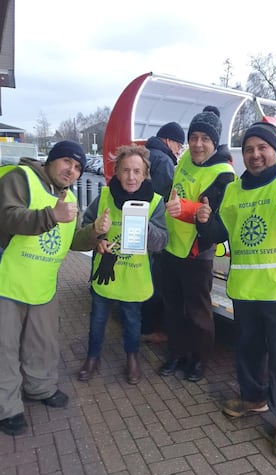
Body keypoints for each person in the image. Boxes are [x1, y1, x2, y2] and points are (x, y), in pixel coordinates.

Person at [196, 121, 276, 458]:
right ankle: (254, 397)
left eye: (262, 148)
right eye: (249, 149)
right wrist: (204, 222)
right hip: (245, 287)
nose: (255, 155)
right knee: (248, 347)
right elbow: (220, 234)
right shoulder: (235, 190)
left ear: (275, 150)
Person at [0, 140, 108, 436]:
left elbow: (70, 240)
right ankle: (7, 408)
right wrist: (50, 216)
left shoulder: (67, 196)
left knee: (42, 344)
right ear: (51, 160)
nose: (71, 171)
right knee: (4, 348)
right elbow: (6, 216)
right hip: (7, 281)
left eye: (77, 168)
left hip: (43, 285)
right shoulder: (20, 178)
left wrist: (94, 233)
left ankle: (39, 388)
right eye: (67, 163)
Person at [77, 144, 168, 384]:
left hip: (134, 276)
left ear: (145, 174)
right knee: (97, 319)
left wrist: (144, 225)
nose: (131, 176)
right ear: (116, 171)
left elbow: (162, 242)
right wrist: (98, 238)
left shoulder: (156, 202)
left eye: (137, 171)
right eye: (125, 170)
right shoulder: (105, 196)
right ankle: (92, 358)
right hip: (106, 273)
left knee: (132, 320)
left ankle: (132, 358)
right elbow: (86, 225)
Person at [159, 106, 236, 381]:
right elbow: (173, 193)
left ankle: (199, 360)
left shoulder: (224, 173)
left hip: (196, 253)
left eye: (205, 138)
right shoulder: (185, 161)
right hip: (171, 247)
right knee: (172, 308)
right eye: (194, 137)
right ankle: (176, 354)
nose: (198, 144)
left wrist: (186, 209)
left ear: (214, 142)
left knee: (198, 313)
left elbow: (219, 218)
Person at [141, 121, 185, 343]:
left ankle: (136, 321)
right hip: (154, 227)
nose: (179, 150)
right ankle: (148, 329)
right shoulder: (164, 160)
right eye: (179, 145)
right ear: (169, 141)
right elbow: (167, 196)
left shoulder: (145, 153)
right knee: (153, 281)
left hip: (137, 224)